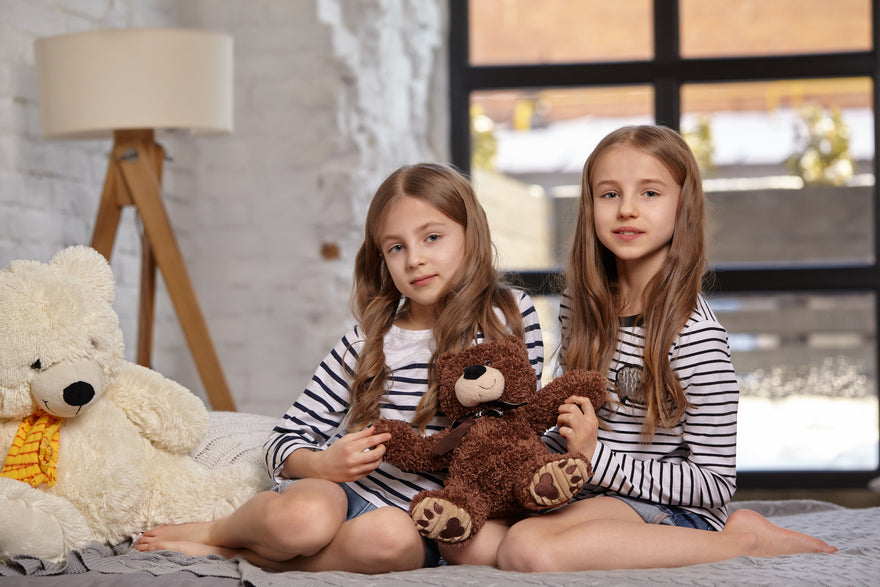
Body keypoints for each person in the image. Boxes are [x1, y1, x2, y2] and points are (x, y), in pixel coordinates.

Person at [448, 124, 837, 571]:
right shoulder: (581, 306)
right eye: (609, 194)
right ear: (589, 205)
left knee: (527, 549)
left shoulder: (696, 338)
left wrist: (595, 457)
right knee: (466, 543)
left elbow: (713, 485)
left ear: (682, 206)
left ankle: (741, 541)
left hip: (671, 509)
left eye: (650, 193)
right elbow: (578, 418)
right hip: (595, 486)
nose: (627, 209)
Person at [134, 162, 544, 573]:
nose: (415, 259)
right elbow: (284, 439)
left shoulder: (508, 315)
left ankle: (239, 559)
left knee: (390, 538)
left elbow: (520, 425)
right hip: (343, 493)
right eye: (396, 248)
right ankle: (217, 533)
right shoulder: (367, 342)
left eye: (432, 237)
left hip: (424, 520)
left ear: (472, 234)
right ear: (382, 258)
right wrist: (321, 464)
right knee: (302, 520)